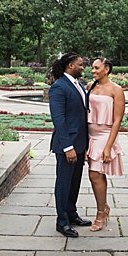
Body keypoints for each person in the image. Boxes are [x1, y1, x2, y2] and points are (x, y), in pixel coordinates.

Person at [48, 52, 92, 237]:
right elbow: (59, 120)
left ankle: (72, 214)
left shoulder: (78, 85)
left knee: (74, 183)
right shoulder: (58, 88)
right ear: (70, 65)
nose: (83, 67)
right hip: (67, 146)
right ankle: (62, 222)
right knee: (64, 184)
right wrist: (68, 147)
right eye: (80, 64)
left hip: (80, 144)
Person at [85, 57, 125, 232]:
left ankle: (101, 213)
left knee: (95, 174)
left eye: (96, 68)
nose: (93, 71)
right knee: (94, 175)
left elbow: (117, 120)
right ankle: (104, 207)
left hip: (104, 135)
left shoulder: (116, 90)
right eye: (92, 68)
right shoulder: (90, 86)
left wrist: (108, 146)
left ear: (106, 69)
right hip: (89, 135)